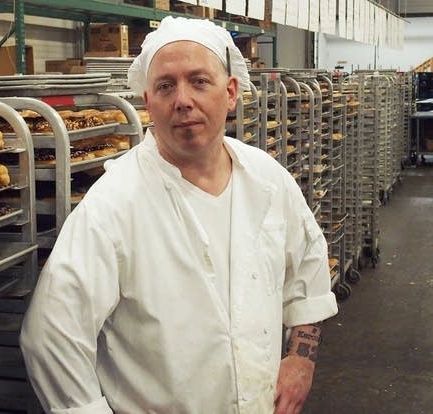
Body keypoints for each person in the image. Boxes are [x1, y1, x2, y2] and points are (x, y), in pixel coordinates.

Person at [20, 15, 338, 414]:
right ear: (148, 102)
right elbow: (52, 335)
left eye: (199, 81)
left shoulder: (267, 179)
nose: (183, 100)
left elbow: (308, 265)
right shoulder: (114, 204)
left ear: (231, 91)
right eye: (166, 86)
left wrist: (301, 360)